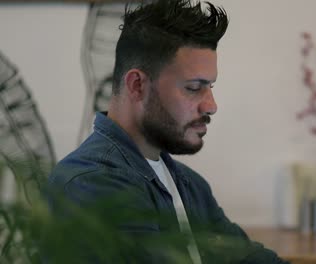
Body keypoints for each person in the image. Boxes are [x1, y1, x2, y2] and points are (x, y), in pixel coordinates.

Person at [46, 0, 288, 263]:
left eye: (211, 87)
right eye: (194, 88)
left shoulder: (190, 185)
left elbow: (247, 258)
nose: (211, 105)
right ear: (137, 85)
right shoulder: (91, 184)